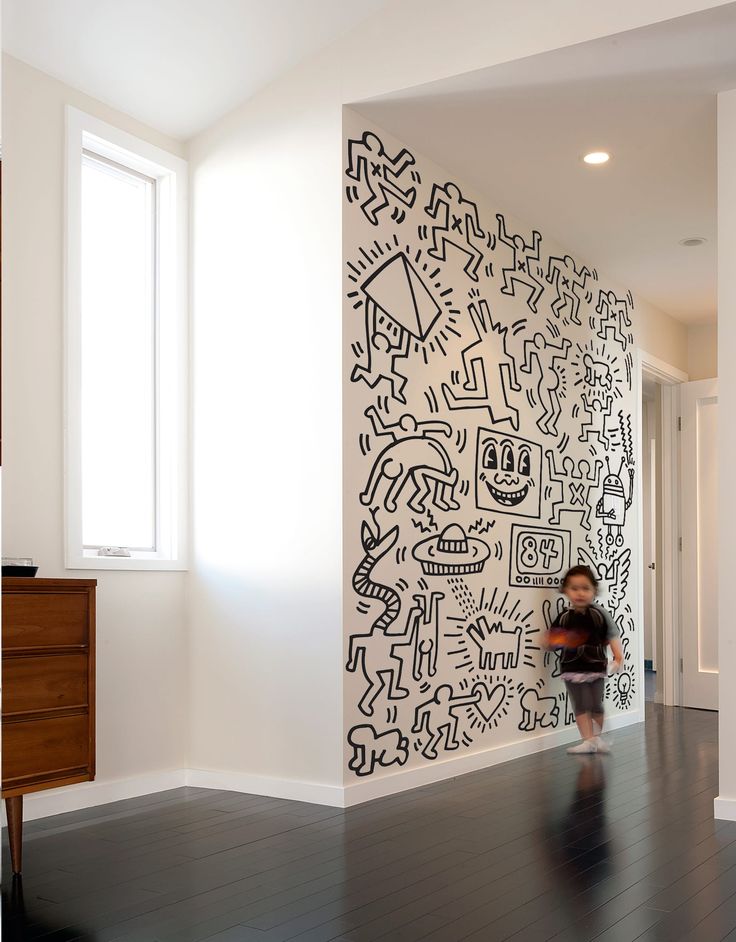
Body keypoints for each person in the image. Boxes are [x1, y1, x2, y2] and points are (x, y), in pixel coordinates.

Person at [542, 564, 624, 754]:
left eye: (585, 588)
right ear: (566, 591)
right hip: (571, 669)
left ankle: (597, 737)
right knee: (579, 704)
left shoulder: (599, 615)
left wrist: (618, 657)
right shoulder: (563, 617)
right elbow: (554, 640)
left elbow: (612, 634)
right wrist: (549, 642)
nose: (580, 593)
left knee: (595, 704)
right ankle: (587, 740)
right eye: (574, 588)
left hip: (596, 667)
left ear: (594, 590)